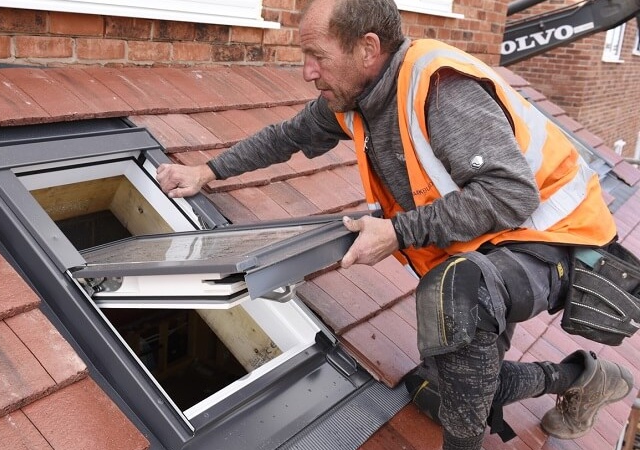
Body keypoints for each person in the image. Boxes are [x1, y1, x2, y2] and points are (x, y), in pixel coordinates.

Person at [155, 0, 635, 448]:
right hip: (483, 251)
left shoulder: (441, 90)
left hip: (551, 238)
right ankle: (582, 378)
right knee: (445, 392)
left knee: (456, 292)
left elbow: (512, 195)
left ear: (368, 49)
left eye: (317, 56)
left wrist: (399, 232)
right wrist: (206, 172)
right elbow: (287, 137)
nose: (307, 72)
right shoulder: (358, 96)